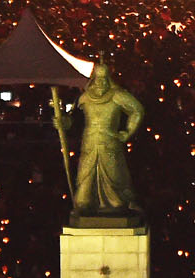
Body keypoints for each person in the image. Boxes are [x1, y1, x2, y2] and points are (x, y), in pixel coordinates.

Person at [54, 63, 145, 219]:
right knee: (85, 181)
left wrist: (127, 133)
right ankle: (85, 204)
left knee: (115, 177)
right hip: (89, 143)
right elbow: (74, 120)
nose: (101, 82)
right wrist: (63, 122)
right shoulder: (84, 97)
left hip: (109, 143)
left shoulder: (117, 95)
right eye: (98, 78)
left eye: (104, 79)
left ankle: (117, 203)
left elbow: (137, 110)